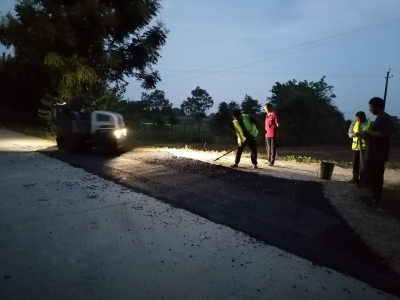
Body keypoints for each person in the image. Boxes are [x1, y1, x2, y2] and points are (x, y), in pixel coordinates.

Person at [360, 97, 394, 208]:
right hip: (372, 153)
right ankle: (372, 196)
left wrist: (368, 132)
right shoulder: (379, 118)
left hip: (377, 154)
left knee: (376, 176)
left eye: (371, 106)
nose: (369, 109)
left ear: (377, 106)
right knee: (371, 175)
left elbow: (383, 134)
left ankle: (376, 199)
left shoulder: (385, 118)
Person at [347, 111, 373, 186]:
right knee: (355, 162)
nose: (359, 121)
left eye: (360, 119)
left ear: (364, 117)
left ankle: (363, 179)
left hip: (365, 148)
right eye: (357, 119)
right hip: (355, 147)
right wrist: (353, 135)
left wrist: (365, 134)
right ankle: (355, 178)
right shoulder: (354, 123)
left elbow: (372, 133)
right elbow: (349, 133)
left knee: (364, 164)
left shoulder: (370, 124)